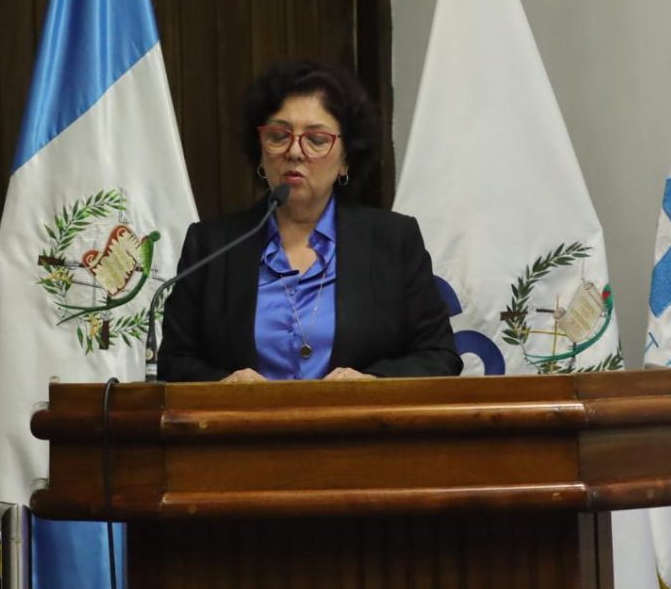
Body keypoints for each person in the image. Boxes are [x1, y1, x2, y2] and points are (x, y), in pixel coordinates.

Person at [158, 60, 462, 382]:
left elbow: (439, 355)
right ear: (260, 152)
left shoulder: (393, 241)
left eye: (316, 140)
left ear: (346, 160)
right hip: (241, 416)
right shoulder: (212, 245)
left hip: (356, 415)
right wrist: (224, 386)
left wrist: (371, 384)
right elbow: (173, 362)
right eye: (278, 136)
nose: (294, 152)